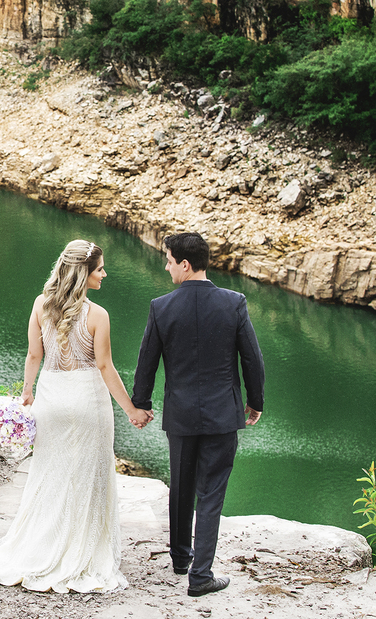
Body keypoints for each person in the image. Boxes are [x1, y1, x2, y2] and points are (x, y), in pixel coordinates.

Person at [0, 239, 152, 593]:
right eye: (100, 269)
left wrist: (26, 392)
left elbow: (34, 354)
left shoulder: (40, 305)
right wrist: (131, 410)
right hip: (87, 403)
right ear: (83, 273)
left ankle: (41, 542)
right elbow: (104, 366)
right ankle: (82, 550)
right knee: (89, 475)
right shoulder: (98, 316)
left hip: (51, 398)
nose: (105, 274)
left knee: (49, 474)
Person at [131, 232, 265, 598]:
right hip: (223, 414)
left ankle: (179, 559)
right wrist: (256, 402)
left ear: (185, 265)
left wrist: (140, 402)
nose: (167, 266)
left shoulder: (161, 307)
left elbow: (147, 362)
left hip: (181, 414)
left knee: (182, 484)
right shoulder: (234, 303)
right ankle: (200, 575)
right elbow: (251, 358)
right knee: (211, 493)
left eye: (170, 260)